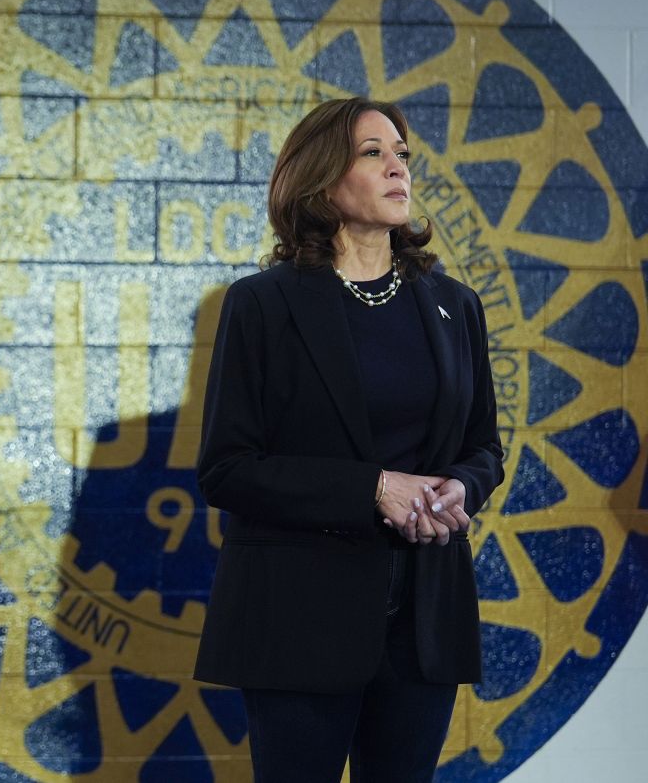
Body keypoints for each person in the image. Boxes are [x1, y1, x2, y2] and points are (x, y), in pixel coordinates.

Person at [193, 97, 504, 782]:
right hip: (299, 617)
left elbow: (484, 446)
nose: (399, 167)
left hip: (424, 617)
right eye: (374, 152)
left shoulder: (455, 305)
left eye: (403, 153)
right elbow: (227, 469)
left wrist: (461, 487)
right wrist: (373, 489)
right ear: (322, 179)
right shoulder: (261, 305)